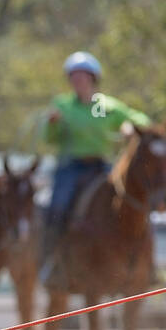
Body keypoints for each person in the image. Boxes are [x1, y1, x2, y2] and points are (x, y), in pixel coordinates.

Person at [39, 51, 151, 286]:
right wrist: (52, 124)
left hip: (101, 166)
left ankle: (143, 260)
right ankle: (52, 260)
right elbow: (49, 138)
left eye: (83, 77)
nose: (78, 81)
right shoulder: (62, 105)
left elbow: (142, 121)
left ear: (93, 79)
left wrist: (130, 127)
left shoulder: (107, 106)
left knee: (130, 200)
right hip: (70, 167)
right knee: (57, 206)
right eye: (74, 77)